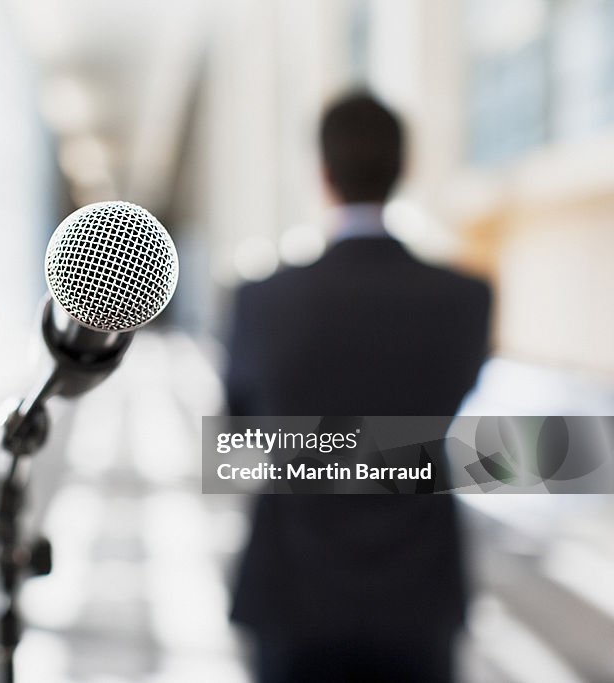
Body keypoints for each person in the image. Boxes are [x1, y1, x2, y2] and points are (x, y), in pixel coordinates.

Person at [224, 92, 491, 682]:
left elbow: (241, 435)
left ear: (322, 174)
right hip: (417, 593)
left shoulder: (261, 302)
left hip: (294, 591)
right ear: (405, 170)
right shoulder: (467, 300)